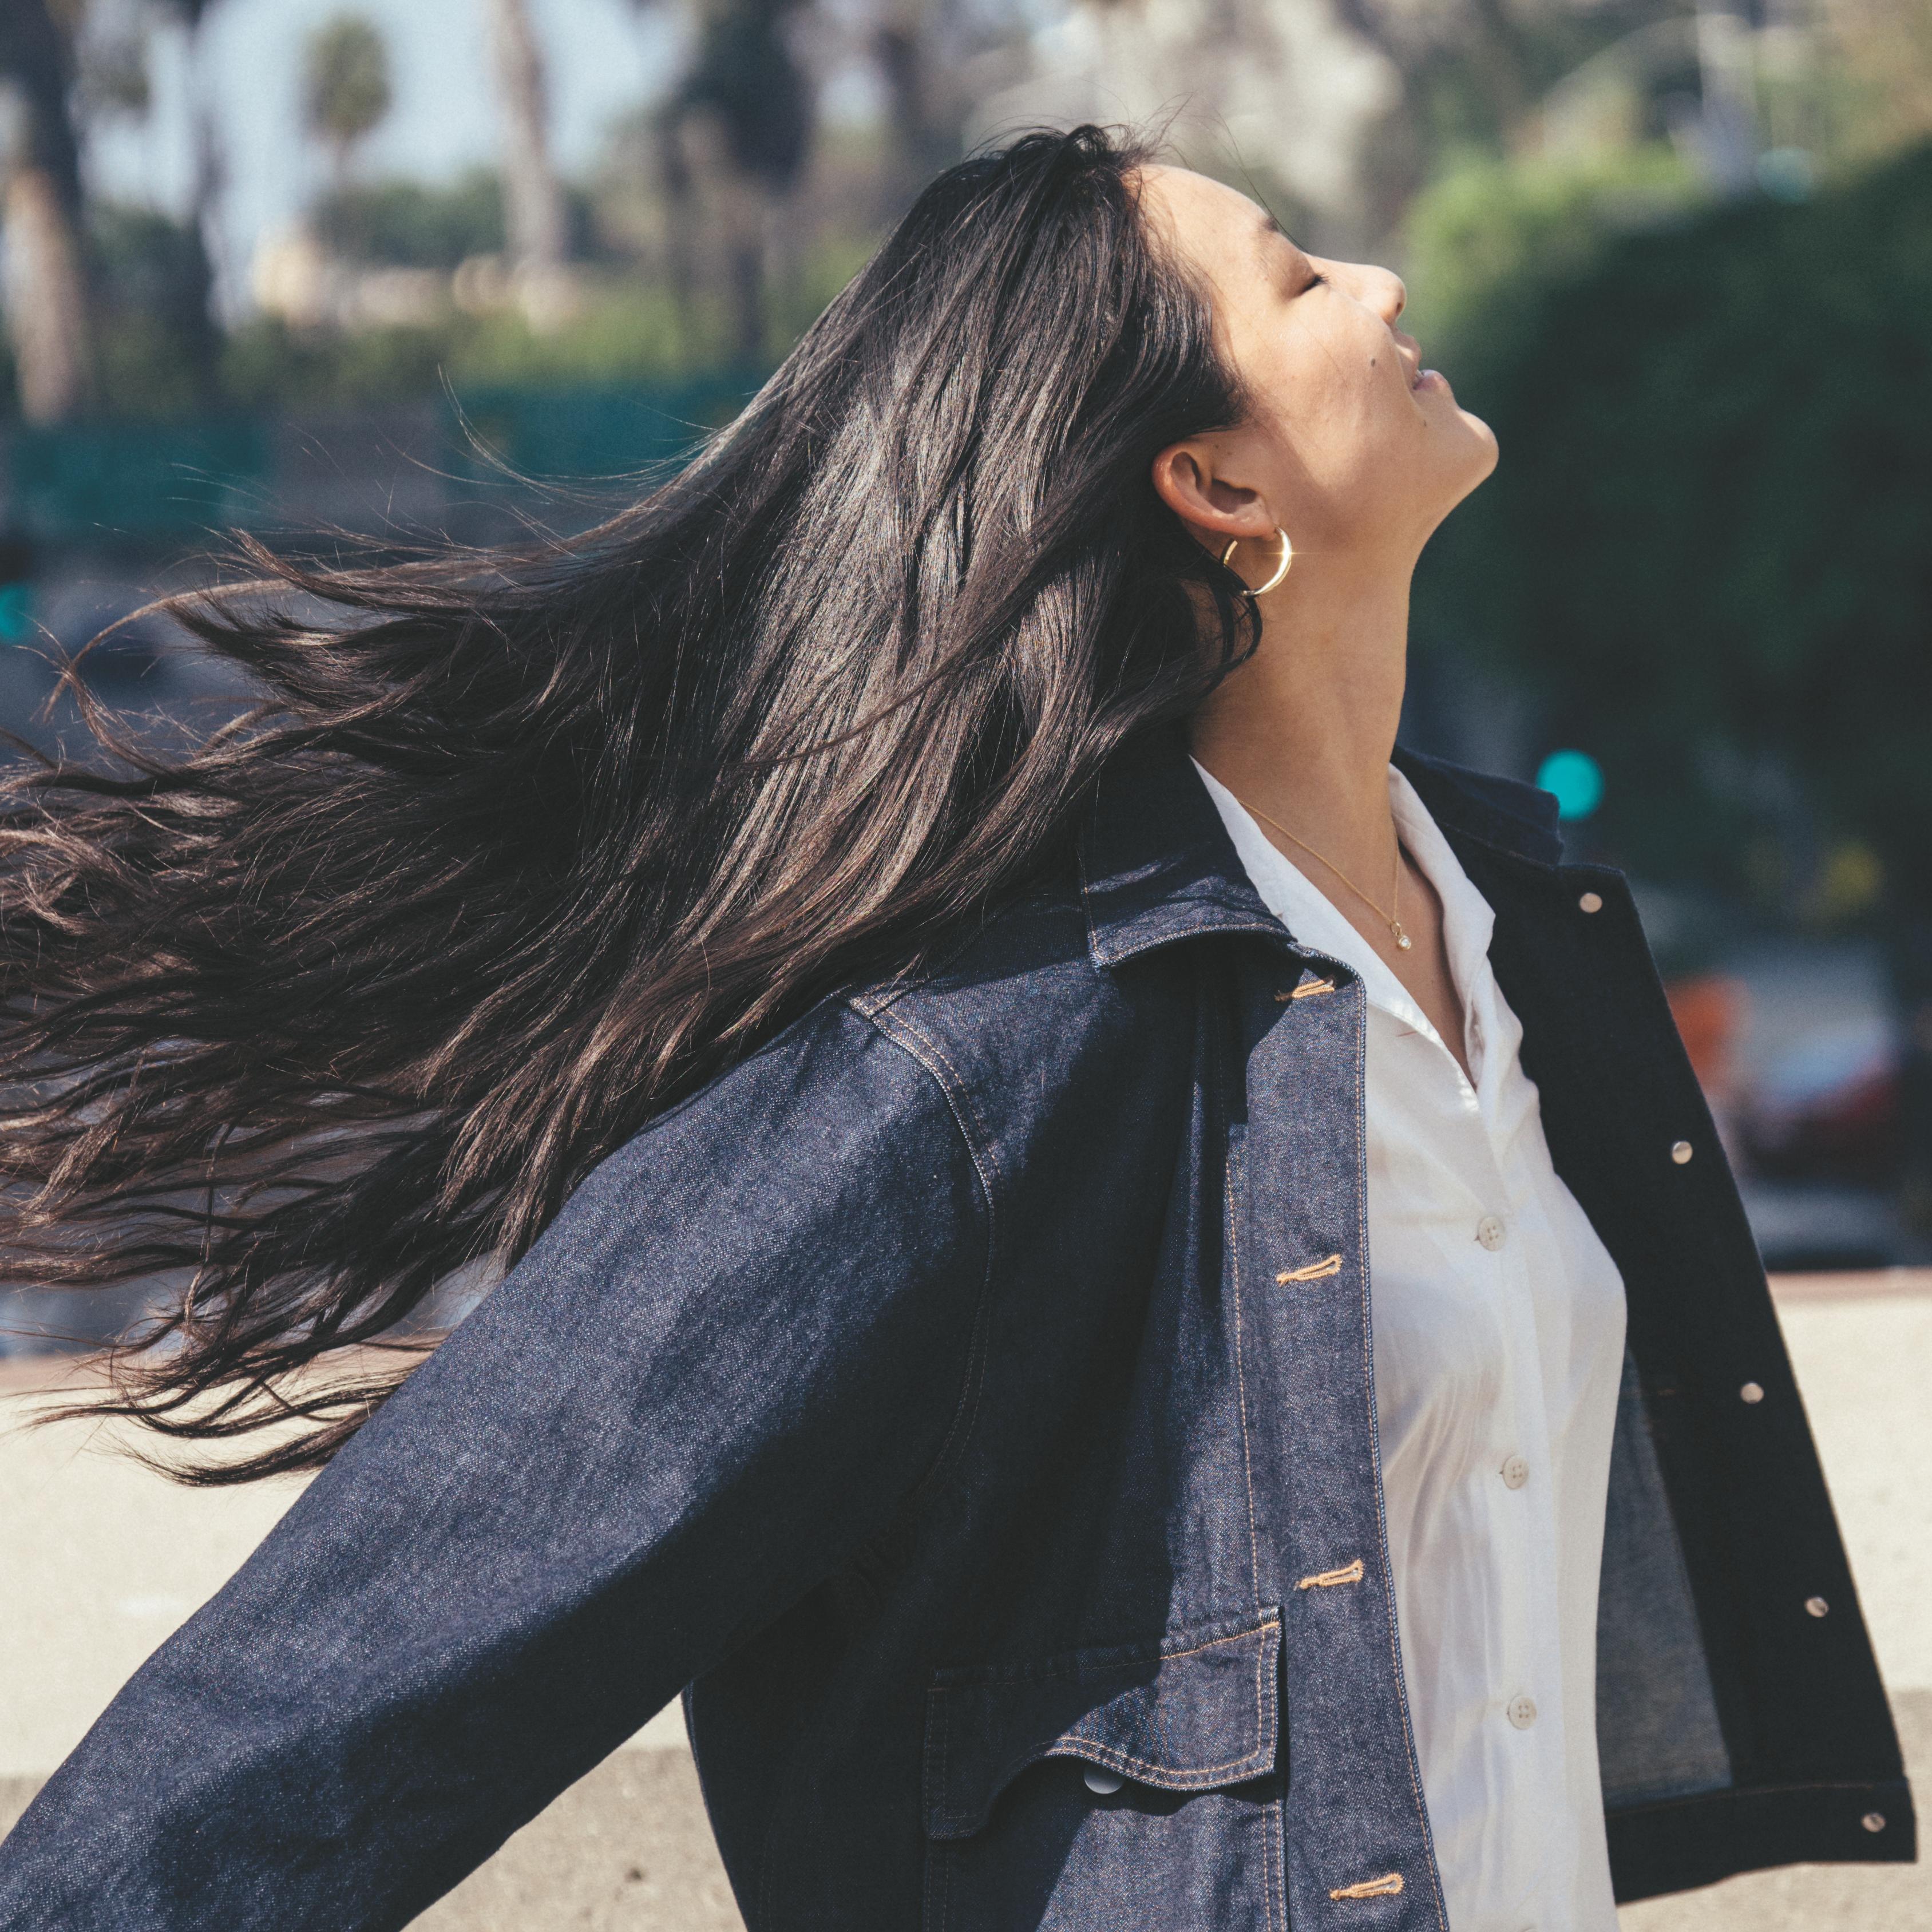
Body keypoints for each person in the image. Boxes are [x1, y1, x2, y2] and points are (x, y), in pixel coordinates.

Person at [0, 126, 1911, 1931]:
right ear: (1217, 483)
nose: (1387, 280)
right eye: (1304, 278)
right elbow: (352, 1685)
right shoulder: (963, 1074)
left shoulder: (1522, 943)